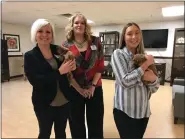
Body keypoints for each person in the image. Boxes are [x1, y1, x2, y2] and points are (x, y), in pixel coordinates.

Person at [24, 18, 76, 139]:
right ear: (34, 34)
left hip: (64, 100)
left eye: (48, 32)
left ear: (52, 34)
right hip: (44, 103)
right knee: (45, 133)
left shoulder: (58, 50)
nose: (44, 35)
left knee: (61, 133)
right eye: (40, 31)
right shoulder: (30, 56)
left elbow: (70, 61)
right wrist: (59, 72)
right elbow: (36, 81)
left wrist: (71, 67)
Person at [111, 22, 160, 139]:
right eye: (129, 34)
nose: (134, 37)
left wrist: (153, 79)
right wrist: (145, 66)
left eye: (137, 33)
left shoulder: (145, 56)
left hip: (143, 112)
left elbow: (155, 87)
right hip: (124, 112)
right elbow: (125, 81)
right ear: (124, 37)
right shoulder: (118, 54)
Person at [62, 13, 104, 139]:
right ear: (72, 25)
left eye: (82, 23)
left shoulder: (96, 42)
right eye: (76, 23)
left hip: (95, 88)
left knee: (95, 122)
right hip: (75, 89)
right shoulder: (66, 45)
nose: (79, 25)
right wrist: (79, 89)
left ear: (86, 26)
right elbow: (67, 72)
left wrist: (92, 86)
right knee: (76, 123)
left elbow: (100, 65)